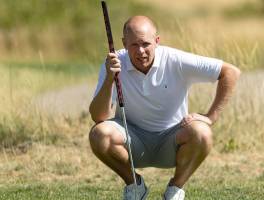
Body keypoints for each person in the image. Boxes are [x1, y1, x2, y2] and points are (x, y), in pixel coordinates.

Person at [89, 15, 240, 200]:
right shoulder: (113, 63)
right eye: (134, 45)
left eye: (146, 44)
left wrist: (211, 117)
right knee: (99, 134)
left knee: (203, 132)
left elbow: (230, 72)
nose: (141, 51)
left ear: (157, 41)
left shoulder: (175, 59)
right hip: (132, 141)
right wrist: (109, 79)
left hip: (172, 142)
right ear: (124, 43)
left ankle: (175, 190)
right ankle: (135, 186)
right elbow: (99, 117)